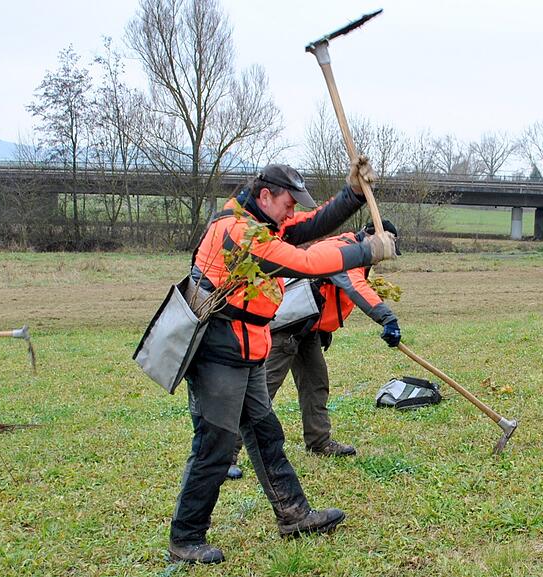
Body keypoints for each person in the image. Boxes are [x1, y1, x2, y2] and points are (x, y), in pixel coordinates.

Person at [167, 157, 397, 564]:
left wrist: (354, 193)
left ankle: (293, 515)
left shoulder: (261, 221)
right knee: (214, 446)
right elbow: (307, 262)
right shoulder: (239, 231)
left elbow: (311, 225)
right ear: (265, 195)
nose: (292, 212)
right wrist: (367, 250)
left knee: (266, 433)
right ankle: (185, 536)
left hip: (247, 348)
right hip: (218, 352)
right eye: (288, 203)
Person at [226, 220, 402, 480]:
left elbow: (328, 291)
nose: (380, 258)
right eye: (382, 248)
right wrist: (386, 318)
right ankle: (225, 455)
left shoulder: (352, 250)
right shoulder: (344, 251)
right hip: (287, 326)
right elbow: (354, 287)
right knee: (261, 393)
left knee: (315, 383)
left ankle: (318, 441)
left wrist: (324, 329)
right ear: (369, 236)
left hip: (307, 328)